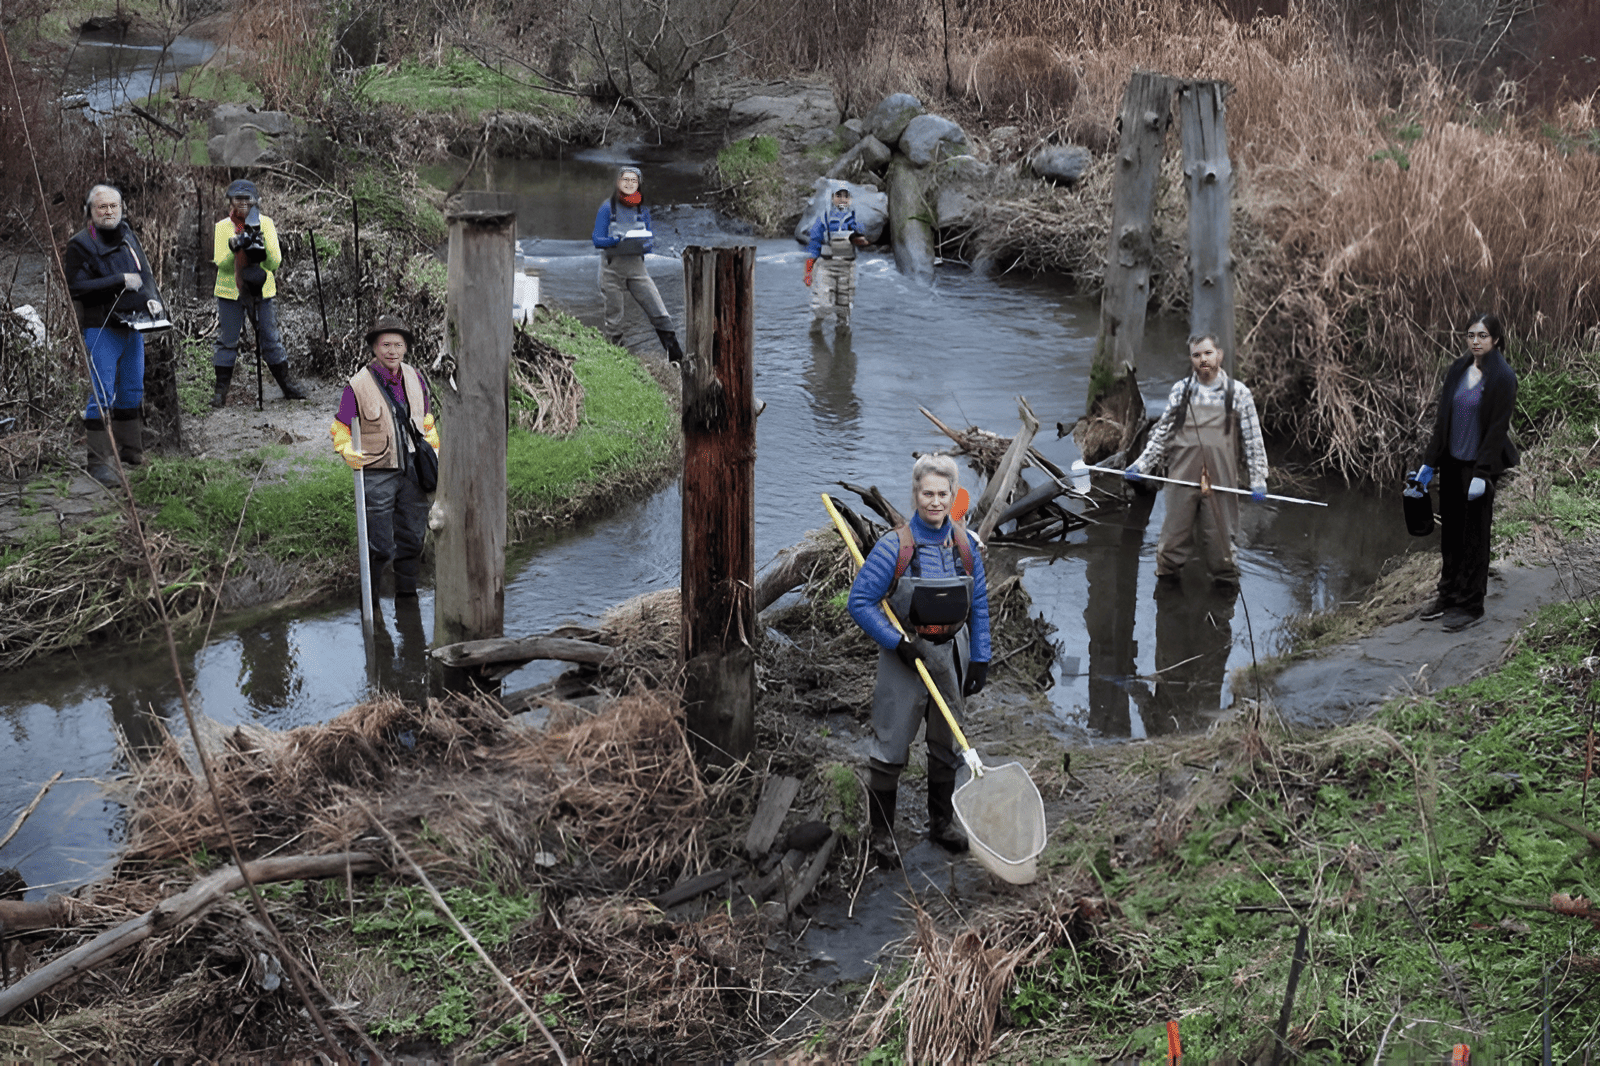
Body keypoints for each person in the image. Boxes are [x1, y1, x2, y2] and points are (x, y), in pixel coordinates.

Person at [846, 454, 991, 868]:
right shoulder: (895, 547)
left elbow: (979, 605)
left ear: (953, 495)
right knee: (890, 746)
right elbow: (861, 602)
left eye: (943, 494)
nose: (935, 502)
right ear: (915, 494)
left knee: (947, 743)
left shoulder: (965, 546)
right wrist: (897, 642)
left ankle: (941, 825)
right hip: (905, 656)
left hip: (952, 654)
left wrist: (980, 657)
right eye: (927, 493)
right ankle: (882, 835)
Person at [1125, 334, 1269, 586]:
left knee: (1221, 548)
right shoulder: (1181, 391)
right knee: (1170, 545)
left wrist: (1258, 479)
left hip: (1221, 479)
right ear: (1191, 359)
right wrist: (1142, 464)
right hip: (1181, 477)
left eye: (1208, 353)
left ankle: (1225, 596)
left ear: (1219, 355)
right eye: (1196, 355)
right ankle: (1167, 594)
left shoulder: (1239, 393)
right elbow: (1163, 434)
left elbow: (1253, 440)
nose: (1203, 359)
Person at [1411, 312, 1519, 632]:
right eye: (1471, 335)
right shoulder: (1457, 369)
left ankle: (1471, 604)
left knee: (1475, 536)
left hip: (1478, 468)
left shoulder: (1503, 377)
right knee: (1451, 533)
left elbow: (1497, 430)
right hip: (1452, 463)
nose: (1476, 341)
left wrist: (1482, 474)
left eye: (1482, 336)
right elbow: (1442, 422)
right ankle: (1448, 594)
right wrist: (1429, 464)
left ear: (1495, 339)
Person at [329, 316, 440, 601]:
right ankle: (372, 601)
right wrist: (346, 448)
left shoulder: (415, 377)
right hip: (377, 472)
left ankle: (407, 597)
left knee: (413, 539)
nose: (392, 351)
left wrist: (432, 443)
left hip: (414, 471)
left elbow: (426, 418)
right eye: (386, 345)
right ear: (374, 348)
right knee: (379, 546)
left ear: (406, 348)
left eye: (398, 345)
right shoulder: (357, 385)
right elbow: (340, 426)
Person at [63, 184, 157, 487]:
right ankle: (99, 462)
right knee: (102, 392)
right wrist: (118, 280)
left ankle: (130, 451)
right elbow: (76, 287)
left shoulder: (128, 235)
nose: (108, 212)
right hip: (101, 326)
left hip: (134, 324)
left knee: (132, 388)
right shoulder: (80, 244)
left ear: (121, 209)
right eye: (102, 207)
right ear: (90, 211)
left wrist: (152, 299)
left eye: (113, 206)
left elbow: (145, 274)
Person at [211, 179, 307, 407]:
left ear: (255, 200)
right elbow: (221, 263)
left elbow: (275, 262)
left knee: (270, 338)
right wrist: (236, 246)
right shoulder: (222, 227)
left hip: (262, 290)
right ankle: (220, 390)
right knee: (227, 341)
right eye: (238, 198)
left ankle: (286, 384)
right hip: (230, 291)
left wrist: (260, 249)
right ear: (231, 200)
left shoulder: (266, 224)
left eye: (247, 198)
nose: (243, 203)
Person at [591, 166, 683, 363]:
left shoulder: (642, 210)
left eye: (634, 180)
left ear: (639, 184)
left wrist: (644, 245)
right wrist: (614, 241)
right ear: (618, 182)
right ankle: (617, 360)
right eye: (625, 180)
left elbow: (650, 241)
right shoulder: (607, 208)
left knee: (658, 310)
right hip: (611, 270)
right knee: (614, 319)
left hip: (637, 269)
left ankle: (676, 359)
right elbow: (597, 239)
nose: (629, 184)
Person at [804, 185, 869, 330]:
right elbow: (814, 247)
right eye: (838, 196)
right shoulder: (823, 218)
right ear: (832, 198)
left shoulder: (856, 219)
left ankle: (842, 333)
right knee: (820, 303)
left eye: (846, 196)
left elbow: (864, 237)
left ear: (851, 199)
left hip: (847, 267)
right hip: (826, 266)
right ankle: (816, 329)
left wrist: (859, 237)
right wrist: (808, 272)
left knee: (844, 306)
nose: (842, 200)